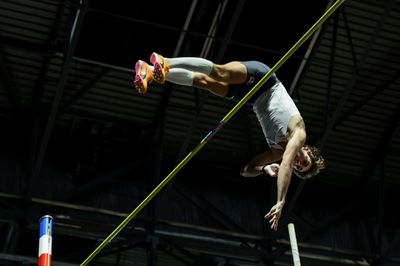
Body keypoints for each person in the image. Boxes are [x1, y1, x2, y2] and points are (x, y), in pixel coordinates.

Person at [133, 52, 325, 231]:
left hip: (250, 96)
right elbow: (287, 164)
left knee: (205, 82)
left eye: (300, 168)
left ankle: (149, 72)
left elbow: (245, 171)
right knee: (221, 72)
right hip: (264, 80)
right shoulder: (299, 134)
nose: (299, 163)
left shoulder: (276, 153)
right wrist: (281, 200)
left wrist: (263, 169)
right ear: (308, 150)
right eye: (305, 162)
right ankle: (165, 61)